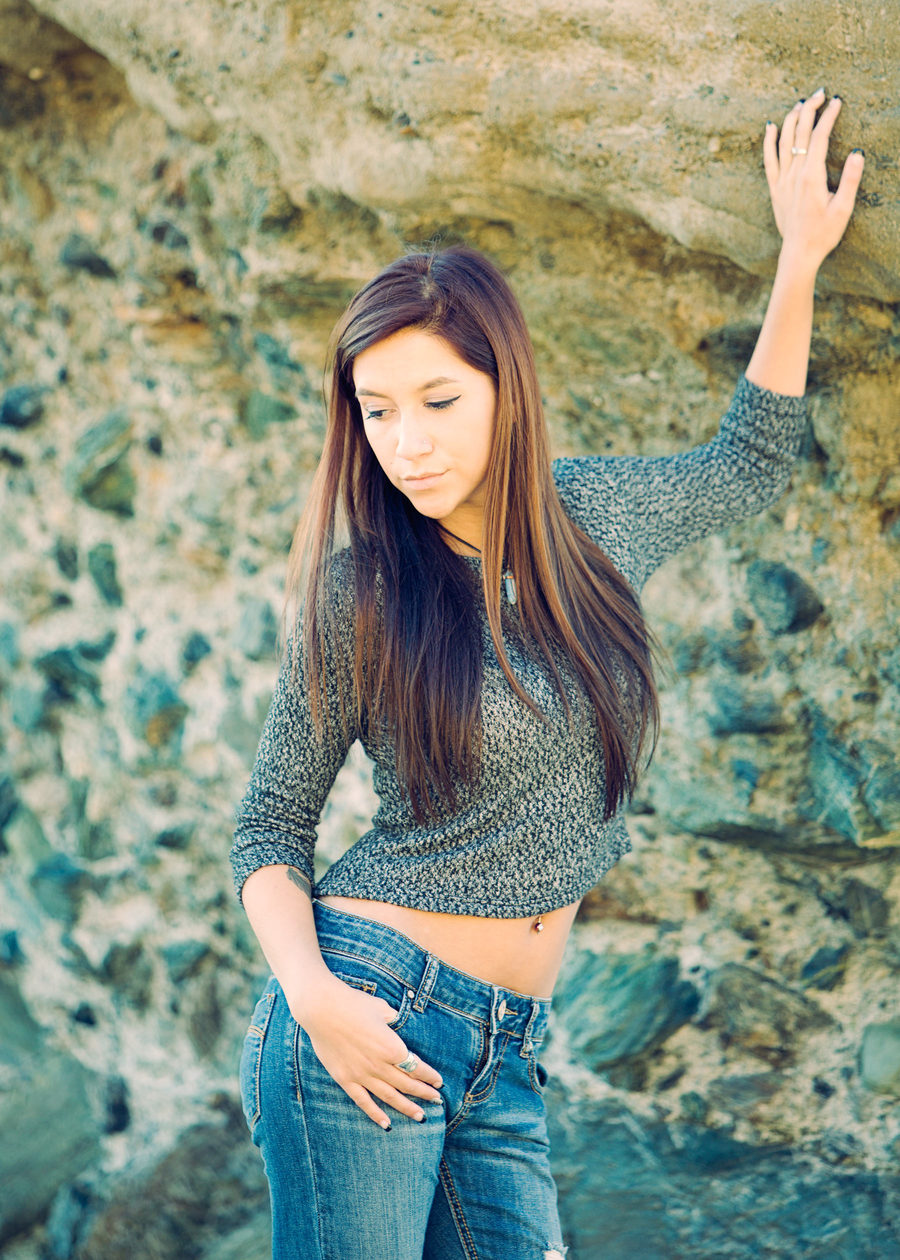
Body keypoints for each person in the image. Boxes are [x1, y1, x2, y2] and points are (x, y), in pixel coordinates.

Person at [231, 90, 863, 1260]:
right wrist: (316, 1003)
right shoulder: (360, 590)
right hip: (369, 1007)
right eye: (377, 412)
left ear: (504, 387)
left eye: (437, 402)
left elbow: (747, 461)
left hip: (507, 1046)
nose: (405, 443)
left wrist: (801, 255)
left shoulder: (596, 519)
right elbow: (270, 825)